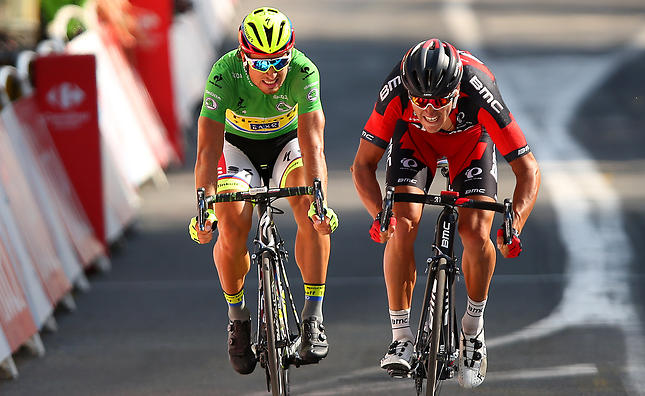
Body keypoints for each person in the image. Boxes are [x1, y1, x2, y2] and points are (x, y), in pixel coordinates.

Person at [351, 38, 540, 388]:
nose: (430, 111)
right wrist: (380, 214)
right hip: (414, 141)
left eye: (440, 102)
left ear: (457, 91)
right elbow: (362, 165)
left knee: (475, 231)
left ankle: (472, 328)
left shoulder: (479, 91)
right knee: (401, 224)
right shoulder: (394, 92)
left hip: (471, 144)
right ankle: (402, 336)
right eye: (421, 102)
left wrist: (514, 224)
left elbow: (528, 169)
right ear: (409, 94)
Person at [189, 7, 338, 375]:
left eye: (279, 61)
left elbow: (313, 141)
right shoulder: (224, 74)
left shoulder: (304, 72)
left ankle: (312, 316)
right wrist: (203, 208)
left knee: (308, 207)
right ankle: (238, 318)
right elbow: (208, 149)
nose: (272, 73)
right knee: (231, 222)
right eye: (260, 64)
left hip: (288, 143)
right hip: (236, 147)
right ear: (244, 57)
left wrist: (320, 199)